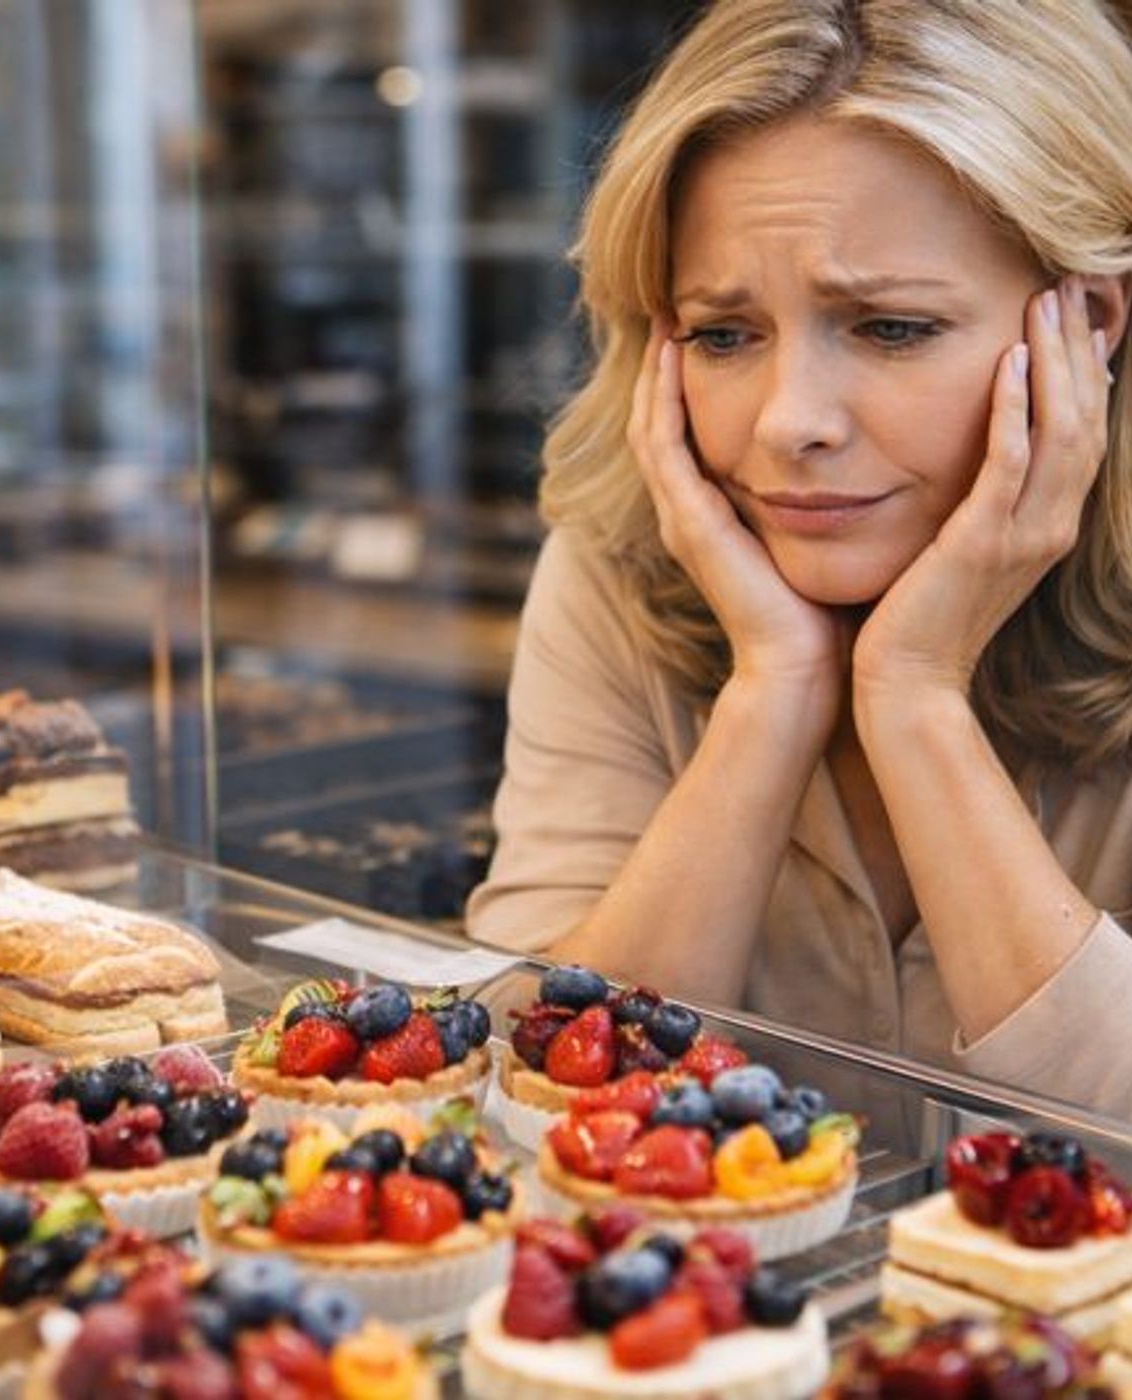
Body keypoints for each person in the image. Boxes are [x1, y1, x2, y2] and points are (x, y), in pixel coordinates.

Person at [466, 0, 1132, 1116]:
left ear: (1090, 323)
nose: (788, 424)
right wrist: (769, 696)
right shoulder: (622, 565)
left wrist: (913, 697)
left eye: (887, 328)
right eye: (723, 335)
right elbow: (518, 1098)